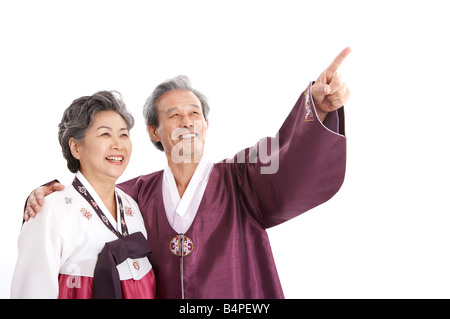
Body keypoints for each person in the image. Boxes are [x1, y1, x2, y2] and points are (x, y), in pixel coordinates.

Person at [24, 48, 351, 298]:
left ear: (206, 125)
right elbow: (89, 200)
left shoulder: (242, 180)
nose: (186, 121)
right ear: (154, 131)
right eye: (174, 114)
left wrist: (318, 108)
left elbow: (288, 161)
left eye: (194, 113)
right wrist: (48, 190)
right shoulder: (135, 195)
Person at [12, 91, 156, 299]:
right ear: (76, 147)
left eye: (124, 134)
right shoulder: (49, 211)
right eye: (105, 134)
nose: (118, 144)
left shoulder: (132, 206)